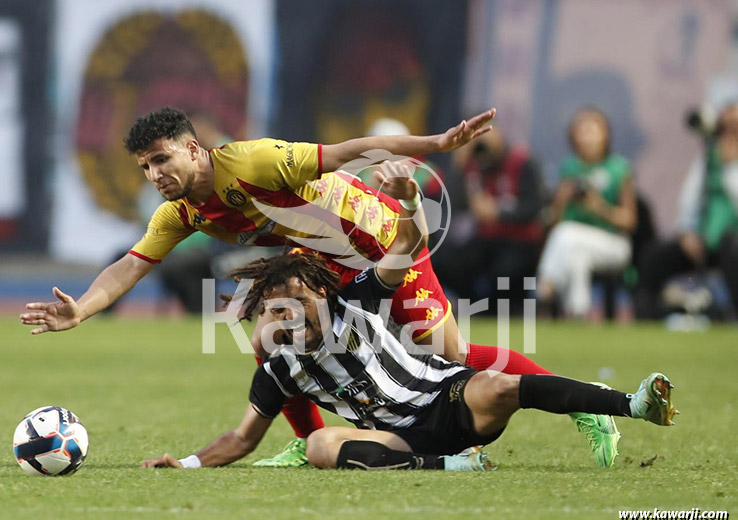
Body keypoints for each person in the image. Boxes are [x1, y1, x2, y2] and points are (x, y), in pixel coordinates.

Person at [20, 107, 611, 468]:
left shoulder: (254, 161)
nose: (154, 175)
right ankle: (310, 440)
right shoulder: (179, 213)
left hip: (377, 236)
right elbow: (129, 266)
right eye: (144, 167)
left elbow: (351, 151)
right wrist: (84, 310)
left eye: (160, 159)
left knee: (448, 356)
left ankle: (585, 404)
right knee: (271, 340)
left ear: (194, 148)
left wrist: (435, 147)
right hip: (318, 256)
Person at [139, 161, 677, 471]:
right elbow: (239, 436)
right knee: (306, 418)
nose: (285, 316)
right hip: (391, 412)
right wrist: (185, 463)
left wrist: (408, 199)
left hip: (384, 248)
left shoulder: (279, 177)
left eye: (297, 304)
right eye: (276, 309)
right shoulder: (212, 208)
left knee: (463, 360)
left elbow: (407, 237)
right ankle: (323, 446)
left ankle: (616, 405)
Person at [636, 103, 738, 319]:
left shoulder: (728, 161)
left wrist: (731, 167)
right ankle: (649, 314)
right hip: (706, 240)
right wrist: (686, 231)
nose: (730, 133)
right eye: (726, 127)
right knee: (654, 256)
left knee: (731, 245)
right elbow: (690, 199)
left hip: (732, 242)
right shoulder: (710, 156)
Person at [537, 107, 638, 318]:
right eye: (581, 130)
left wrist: (599, 208)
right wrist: (561, 200)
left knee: (566, 234)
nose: (587, 136)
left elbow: (630, 221)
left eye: (592, 129)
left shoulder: (619, 168)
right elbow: (553, 222)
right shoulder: (569, 168)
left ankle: (545, 288)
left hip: (613, 244)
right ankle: (579, 313)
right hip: (572, 245)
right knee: (576, 256)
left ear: (606, 134)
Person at [433, 127, 545, 311]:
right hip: (485, 238)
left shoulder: (522, 162)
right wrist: (459, 168)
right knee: (446, 261)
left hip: (519, 240)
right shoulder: (472, 167)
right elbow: (450, 203)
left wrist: (498, 212)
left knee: (506, 270)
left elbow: (534, 205)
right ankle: (476, 305)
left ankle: (497, 309)